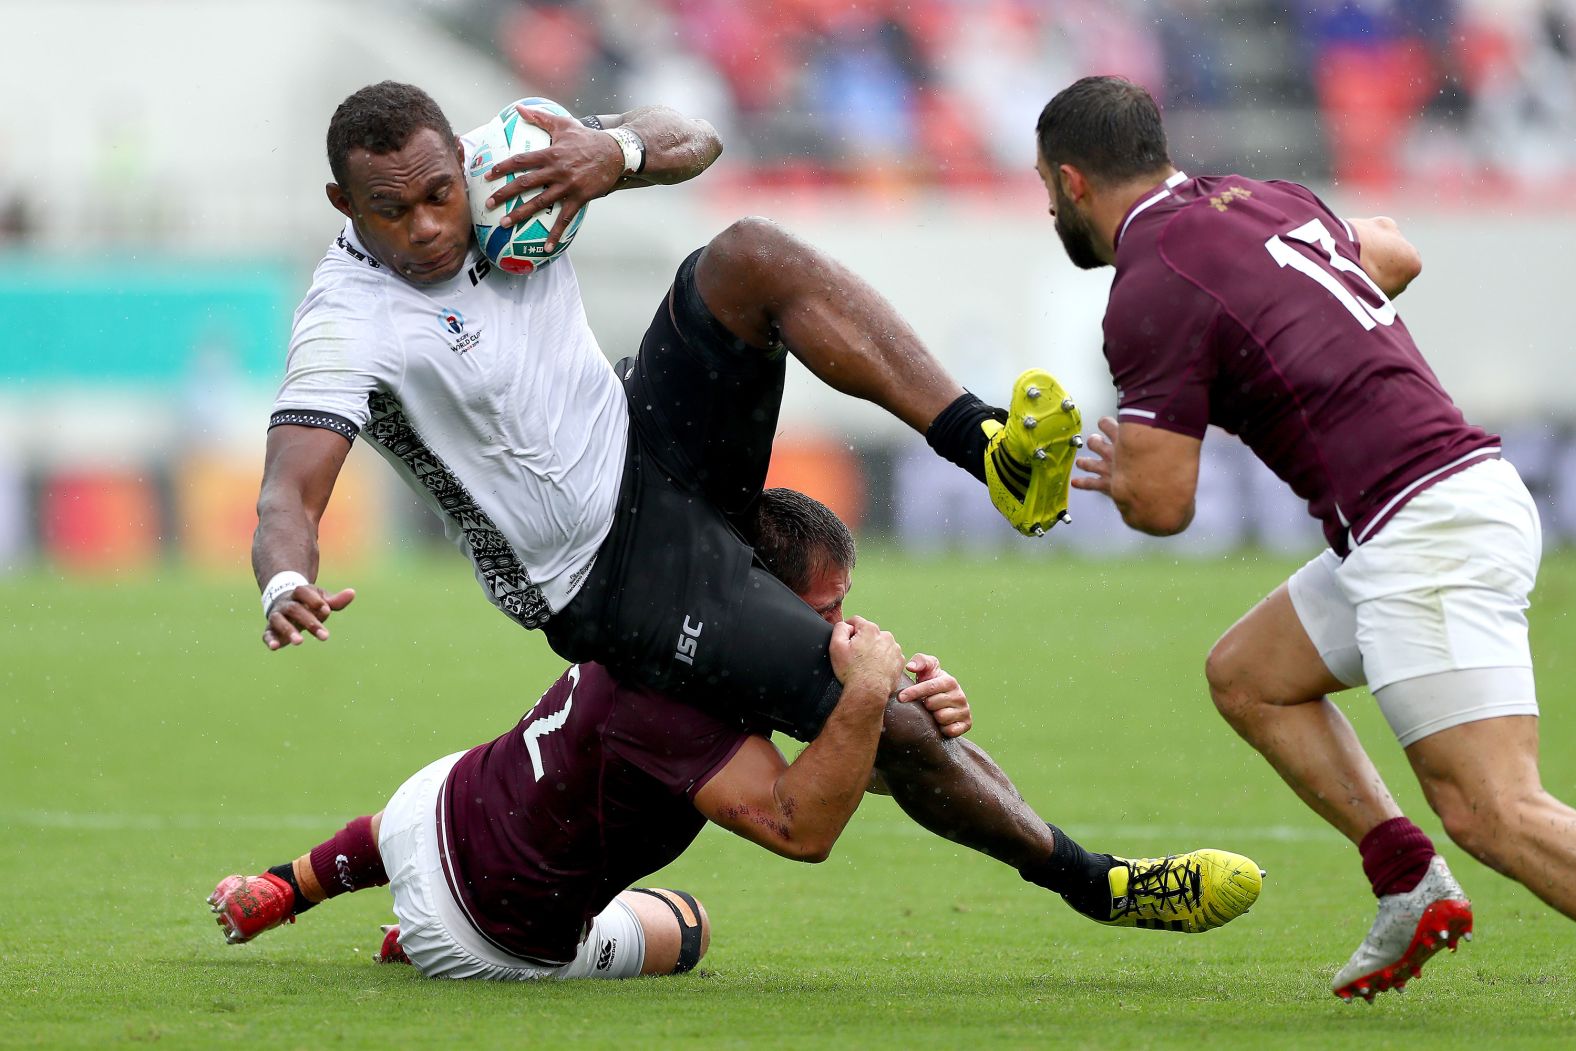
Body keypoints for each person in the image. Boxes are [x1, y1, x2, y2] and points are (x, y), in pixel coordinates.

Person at [252, 80, 1111, 910]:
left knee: (750, 255)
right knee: (891, 719)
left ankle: (988, 447)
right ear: (344, 202)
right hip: (601, 576)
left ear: (457, 158)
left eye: (440, 193)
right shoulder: (344, 321)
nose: (430, 226)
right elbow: (288, 492)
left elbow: (695, 134)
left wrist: (613, 153)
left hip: (642, 436)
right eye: (391, 211)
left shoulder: (512, 157)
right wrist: (287, 581)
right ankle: (1096, 882)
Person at [212, 489, 1264, 977]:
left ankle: (293, 883)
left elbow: (865, 763)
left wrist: (903, 710)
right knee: (686, 924)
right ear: (759, 600)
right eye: (818, 617)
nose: (831, 637)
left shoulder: (667, 619)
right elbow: (806, 825)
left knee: (439, 798)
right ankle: (405, 932)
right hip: (493, 937)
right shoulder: (675, 699)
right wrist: (866, 702)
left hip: (431, 807)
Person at [1036, 74, 1572, 1002]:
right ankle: (1407, 876)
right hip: (1433, 507)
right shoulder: (1263, 200)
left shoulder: (1150, 282)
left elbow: (1163, 505)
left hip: (1424, 525)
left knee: (1495, 812)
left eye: (1046, 190)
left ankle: (1432, 861)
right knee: (1250, 675)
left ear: (1073, 181)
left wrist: (1114, 469)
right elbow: (1396, 253)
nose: (1048, 206)